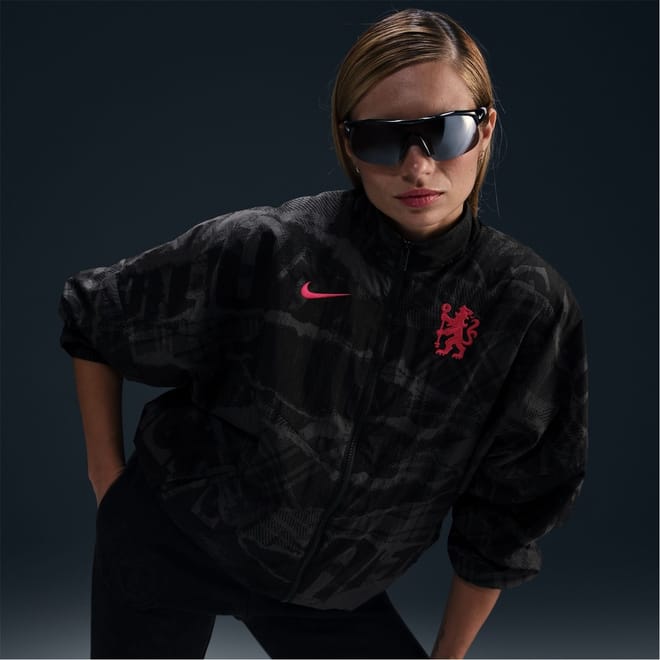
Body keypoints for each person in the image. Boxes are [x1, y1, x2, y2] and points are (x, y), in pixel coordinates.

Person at [59, 8, 588, 659]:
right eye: (383, 140)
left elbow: (510, 513)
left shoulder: (525, 304)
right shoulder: (272, 246)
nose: (418, 167)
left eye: (444, 132)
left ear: (485, 130)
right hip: (171, 537)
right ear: (349, 145)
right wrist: (107, 483)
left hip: (333, 592)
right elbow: (96, 313)